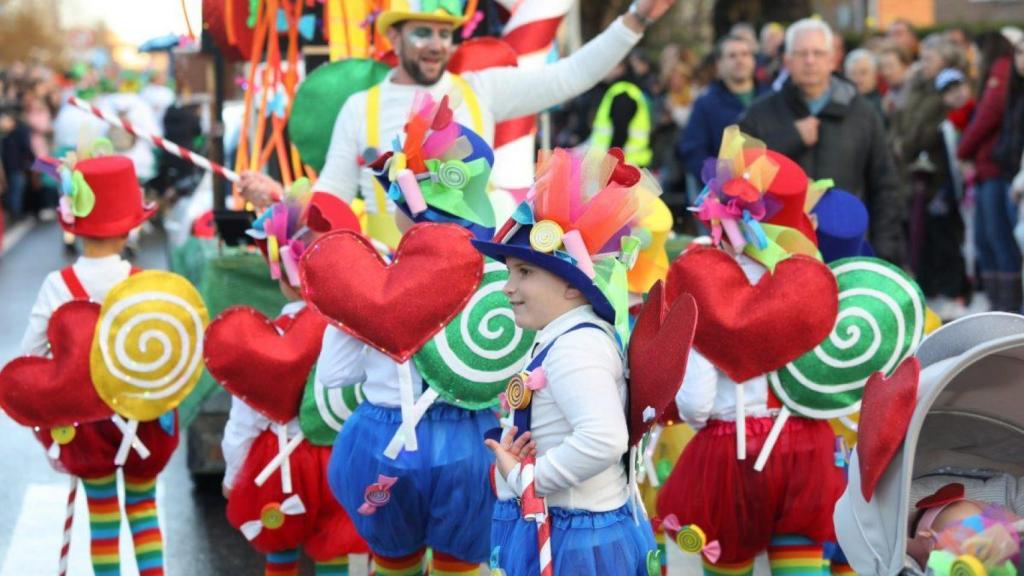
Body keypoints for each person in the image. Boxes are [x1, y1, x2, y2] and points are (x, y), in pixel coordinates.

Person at [239, 0, 676, 248]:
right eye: (422, 33)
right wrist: (282, 201)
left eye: (445, 34)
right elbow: (330, 199)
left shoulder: (479, 90)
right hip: (388, 271)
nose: (436, 45)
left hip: (474, 268)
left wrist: (633, 21)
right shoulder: (359, 107)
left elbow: (571, 76)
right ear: (394, 39)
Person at [316, 97, 524, 576]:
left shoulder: (367, 279)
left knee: (394, 561)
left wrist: (353, 313)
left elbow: (333, 376)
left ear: (408, 209)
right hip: (472, 442)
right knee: (460, 564)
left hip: (380, 440)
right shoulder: (497, 283)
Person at [472, 146, 659, 575]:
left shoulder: (577, 347)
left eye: (524, 272)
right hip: (564, 526)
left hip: (577, 539)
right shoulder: (561, 336)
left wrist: (529, 481)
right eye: (508, 272)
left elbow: (603, 438)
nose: (508, 287)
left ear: (574, 285)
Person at [14, 154, 176, 576]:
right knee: (144, 508)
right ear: (130, 227)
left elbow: (31, 351)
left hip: (86, 423)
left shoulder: (58, 287)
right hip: (142, 415)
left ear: (74, 224)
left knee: (102, 515)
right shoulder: (143, 282)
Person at [217, 191, 368, 576]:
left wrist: (235, 473)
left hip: (279, 460)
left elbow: (245, 417)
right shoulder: (358, 331)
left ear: (280, 272)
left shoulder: (269, 338)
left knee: (279, 545)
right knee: (337, 547)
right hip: (343, 456)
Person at [739, 18, 904, 266]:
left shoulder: (863, 113)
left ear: (832, 59)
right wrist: (791, 138)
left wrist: (884, 251)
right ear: (787, 60)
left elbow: (885, 185)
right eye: (801, 53)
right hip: (776, 257)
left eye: (818, 53)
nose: (810, 61)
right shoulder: (760, 113)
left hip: (848, 250)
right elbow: (739, 178)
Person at [891, 34, 971, 318]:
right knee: (922, 235)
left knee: (944, 235)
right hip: (913, 173)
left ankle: (953, 291)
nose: (922, 63)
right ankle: (931, 290)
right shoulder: (916, 87)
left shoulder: (947, 89)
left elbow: (933, 129)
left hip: (939, 174)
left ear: (946, 62)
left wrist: (910, 145)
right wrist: (898, 143)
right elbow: (903, 120)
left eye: (929, 59)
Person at [958, 31, 1020, 312]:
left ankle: (1009, 317)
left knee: (1001, 243)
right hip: (996, 169)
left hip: (1001, 173)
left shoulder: (1000, 70)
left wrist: (963, 149)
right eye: (1018, 52)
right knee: (990, 243)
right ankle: (1000, 312)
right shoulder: (1010, 80)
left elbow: (988, 116)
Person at [679, 34, 764, 183]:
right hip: (724, 194)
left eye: (745, 54)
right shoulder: (706, 104)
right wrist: (719, 180)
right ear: (719, 64)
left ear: (753, 60)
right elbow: (693, 151)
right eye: (732, 56)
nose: (740, 60)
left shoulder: (769, 98)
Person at [590, 60, 653, 167]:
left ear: (621, 67)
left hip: (623, 167)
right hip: (629, 164)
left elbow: (620, 131)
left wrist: (611, 163)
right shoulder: (626, 90)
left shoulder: (622, 93)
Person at [844, 48, 883, 118]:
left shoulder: (883, 106)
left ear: (875, 75)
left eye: (863, 73)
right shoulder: (841, 105)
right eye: (853, 73)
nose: (857, 79)